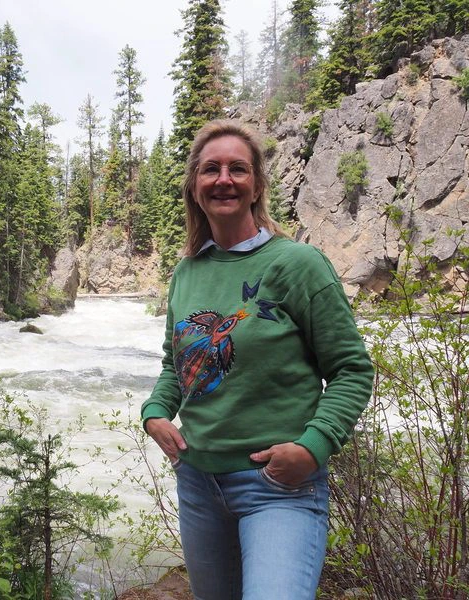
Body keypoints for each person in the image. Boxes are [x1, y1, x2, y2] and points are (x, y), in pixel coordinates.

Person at [141, 119, 374, 600]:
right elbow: (177, 364)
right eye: (211, 169)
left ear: (256, 186)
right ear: (194, 187)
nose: (223, 179)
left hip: (278, 488)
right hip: (198, 485)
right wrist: (155, 413)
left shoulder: (298, 265)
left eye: (237, 169)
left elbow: (352, 370)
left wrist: (313, 447)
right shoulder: (188, 272)